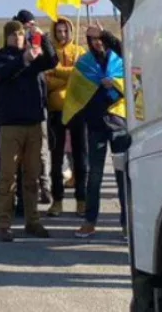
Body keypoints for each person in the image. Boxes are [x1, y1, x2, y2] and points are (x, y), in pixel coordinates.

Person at [0, 21, 58, 242]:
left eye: (21, 34)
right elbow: (0, 75)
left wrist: (43, 37)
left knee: (32, 177)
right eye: (13, 34)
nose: (18, 38)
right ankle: (3, 223)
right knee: (7, 177)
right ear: (6, 36)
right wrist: (23, 60)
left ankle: (33, 221)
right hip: (10, 125)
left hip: (33, 124)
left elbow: (51, 60)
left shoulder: (33, 57)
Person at [64, 24, 128, 240]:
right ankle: (89, 222)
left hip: (119, 122)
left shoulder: (120, 59)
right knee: (95, 176)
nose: (97, 42)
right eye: (92, 39)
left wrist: (116, 83)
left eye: (100, 38)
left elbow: (133, 79)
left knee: (123, 176)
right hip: (95, 125)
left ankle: (127, 224)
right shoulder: (84, 63)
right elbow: (75, 92)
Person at [46, 16, 88, 217]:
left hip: (77, 109)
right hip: (56, 110)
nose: (62, 34)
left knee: (81, 157)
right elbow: (46, 79)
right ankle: (57, 200)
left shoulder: (80, 52)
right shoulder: (50, 53)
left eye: (65, 31)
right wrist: (67, 78)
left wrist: (58, 73)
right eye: (59, 31)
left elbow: (81, 76)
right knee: (56, 158)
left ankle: (81, 199)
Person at [12, 9, 52, 206]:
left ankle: (44, 187)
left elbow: (50, 61)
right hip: (17, 113)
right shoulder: (12, 51)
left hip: (38, 107)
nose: (29, 30)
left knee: (41, 151)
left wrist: (41, 38)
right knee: (20, 158)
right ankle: (22, 198)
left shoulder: (36, 43)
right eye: (26, 26)